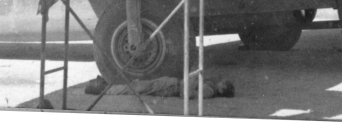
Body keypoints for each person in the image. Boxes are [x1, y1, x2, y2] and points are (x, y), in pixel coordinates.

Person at [85, 74, 235, 99]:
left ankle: (104, 90)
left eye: (224, 83)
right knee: (138, 84)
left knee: (136, 88)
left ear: (222, 90)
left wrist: (192, 79)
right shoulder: (209, 86)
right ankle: (106, 87)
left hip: (170, 88)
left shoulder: (208, 91)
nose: (221, 81)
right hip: (170, 84)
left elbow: (186, 94)